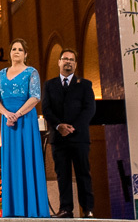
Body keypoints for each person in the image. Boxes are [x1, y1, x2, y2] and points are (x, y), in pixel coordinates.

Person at [0, 38, 48, 217]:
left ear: (25, 54)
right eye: (14, 49)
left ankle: (31, 208)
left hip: (25, 120)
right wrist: (7, 114)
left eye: (20, 50)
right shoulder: (1, 74)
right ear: (10, 53)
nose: (16, 52)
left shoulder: (31, 72)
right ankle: (13, 208)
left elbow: (35, 97)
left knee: (27, 158)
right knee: (11, 161)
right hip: (8, 123)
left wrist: (17, 114)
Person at [41, 49, 96, 218]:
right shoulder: (49, 85)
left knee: (83, 173)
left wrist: (73, 127)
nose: (68, 62)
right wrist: (59, 126)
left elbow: (89, 109)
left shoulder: (85, 84)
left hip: (79, 138)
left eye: (71, 60)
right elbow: (46, 109)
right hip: (58, 139)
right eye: (65, 59)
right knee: (62, 175)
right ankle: (65, 209)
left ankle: (88, 209)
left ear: (76, 64)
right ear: (59, 62)